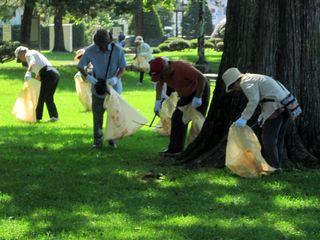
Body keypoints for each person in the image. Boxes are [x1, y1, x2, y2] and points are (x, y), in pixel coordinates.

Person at [222, 67, 292, 169]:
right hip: (286, 106)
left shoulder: (245, 82)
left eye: (233, 87)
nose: (235, 90)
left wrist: (244, 118)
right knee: (278, 138)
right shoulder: (253, 78)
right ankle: (278, 165)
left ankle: (274, 166)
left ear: (235, 82)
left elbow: (254, 100)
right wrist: (262, 116)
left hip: (275, 108)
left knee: (269, 140)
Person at [149, 57, 210, 157]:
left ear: (166, 68)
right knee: (177, 119)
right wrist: (158, 101)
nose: (162, 78)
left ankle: (194, 151)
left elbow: (201, 78)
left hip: (199, 90)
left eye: (162, 75)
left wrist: (198, 97)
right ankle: (175, 150)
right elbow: (160, 83)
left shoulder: (182, 67)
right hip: (185, 94)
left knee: (198, 121)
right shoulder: (163, 74)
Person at [77, 29, 126, 149]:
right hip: (98, 86)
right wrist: (88, 77)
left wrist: (115, 78)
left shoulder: (118, 50)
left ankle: (112, 140)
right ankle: (97, 141)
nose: (102, 47)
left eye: (104, 44)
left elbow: (122, 67)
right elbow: (80, 66)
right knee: (97, 115)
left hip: (114, 88)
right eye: (100, 45)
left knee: (113, 115)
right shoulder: (91, 50)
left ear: (109, 40)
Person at [15, 46, 60, 122]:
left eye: (19, 57)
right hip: (54, 73)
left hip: (47, 74)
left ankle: (37, 118)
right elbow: (39, 75)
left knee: (40, 97)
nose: (22, 60)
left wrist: (28, 72)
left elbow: (32, 62)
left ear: (21, 53)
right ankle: (54, 117)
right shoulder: (35, 53)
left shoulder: (28, 54)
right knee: (48, 98)